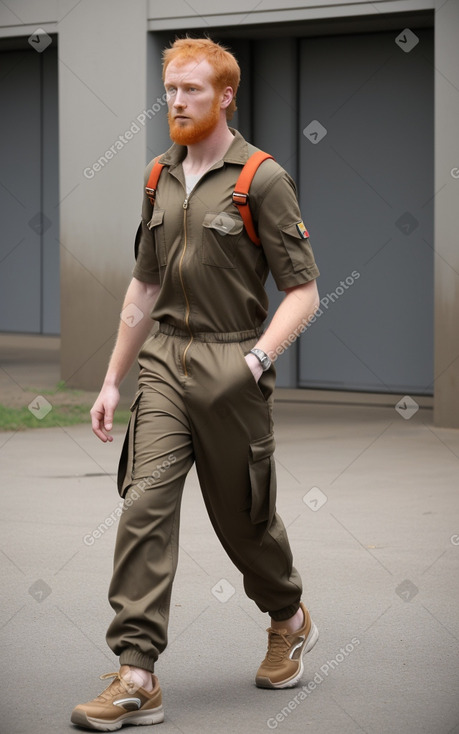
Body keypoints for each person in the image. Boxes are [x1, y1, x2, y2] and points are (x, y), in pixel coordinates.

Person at [71, 37, 321, 731]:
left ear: (225, 97)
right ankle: (136, 672)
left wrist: (255, 361)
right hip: (164, 361)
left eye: (191, 91)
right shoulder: (158, 175)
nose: (176, 102)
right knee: (143, 503)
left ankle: (287, 615)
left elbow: (303, 291)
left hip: (231, 363)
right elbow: (145, 283)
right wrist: (112, 378)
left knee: (244, 524)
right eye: (170, 89)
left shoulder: (261, 179)